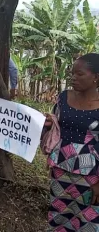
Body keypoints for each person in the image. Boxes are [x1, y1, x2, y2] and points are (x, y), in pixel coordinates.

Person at [44, 53, 99, 230]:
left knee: (87, 220)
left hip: (90, 175)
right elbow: (55, 127)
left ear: (96, 77)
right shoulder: (63, 98)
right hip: (60, 168)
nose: (73, 77)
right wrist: (48, 123)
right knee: (59, 215)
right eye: (72, 73)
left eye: (79, 74)